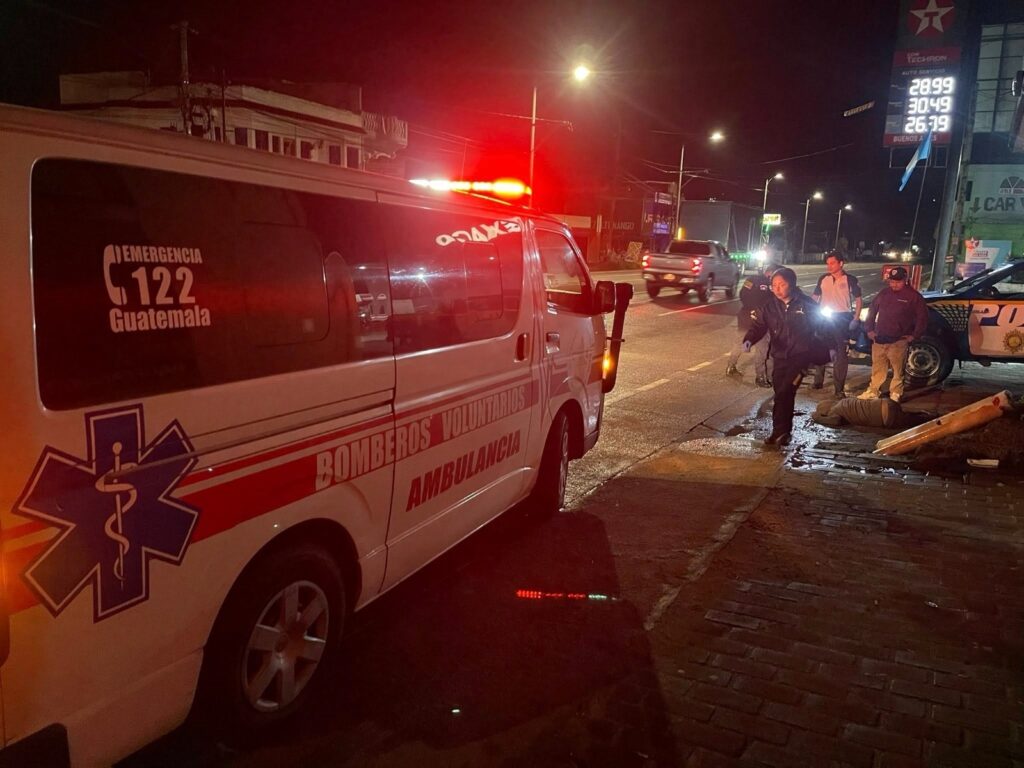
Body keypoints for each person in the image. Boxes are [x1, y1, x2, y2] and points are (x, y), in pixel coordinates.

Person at [743, 267, 829, 446]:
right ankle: (782, 432)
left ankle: (779, 432)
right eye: (774, 285)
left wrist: (832, 347)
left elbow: (824, 327)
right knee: (781, 393)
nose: (777, 289)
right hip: (780, 356)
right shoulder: (769, 306)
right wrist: (749, 339)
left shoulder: (807, 304)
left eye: (782, 284)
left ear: (792, 284)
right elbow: (758, 326)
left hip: (801, 357)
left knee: (785, 391)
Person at [858, 265, 929, 403]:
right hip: (879, 338)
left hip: (899, 341)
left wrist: (915, 335)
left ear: (905, 280)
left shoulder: (913, 296)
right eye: (892, 281)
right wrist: (869, 330)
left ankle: (896, 393)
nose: (894, 284)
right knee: (878, 368)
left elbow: (923, 317)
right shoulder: (884, 293)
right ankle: (873, 390)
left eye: (898, 281)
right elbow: (872, 310)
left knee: (897, 370)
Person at [810, 251, 863, 397]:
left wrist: (856, 318)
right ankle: (818, 381)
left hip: (842, 319)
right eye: (827, 263)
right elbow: (815, 297)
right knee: (820, 348)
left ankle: (839, 389)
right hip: (823, 319)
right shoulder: (823, 278)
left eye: (832, 263)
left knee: (840, 354)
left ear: (841, 263)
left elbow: (858, 299)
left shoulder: (850, 279)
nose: (829, 266)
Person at [725, 262, 776, 387]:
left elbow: (742, 294)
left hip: (745, 316)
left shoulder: (750, 279)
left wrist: (751, 308)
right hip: (760, 319)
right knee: (762, 348)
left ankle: (730, 367)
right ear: (771, 273)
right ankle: (760, 377)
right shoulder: (771, 285)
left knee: (740, 342)